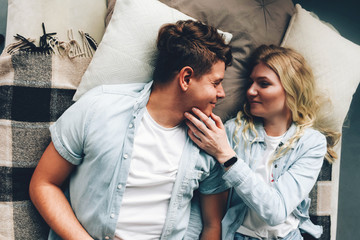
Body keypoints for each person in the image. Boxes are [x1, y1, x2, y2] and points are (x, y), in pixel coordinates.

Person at [29, 20, 232, 240]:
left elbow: (213, 225)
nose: (222, 93)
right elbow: (43, 184)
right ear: (185, 78)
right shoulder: (99, 108)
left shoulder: (213, 141)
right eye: (215, 83)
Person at [184, 45, 340, 240]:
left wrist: (228, 157)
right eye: (251, 83)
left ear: (291, 89)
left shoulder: (311, 143)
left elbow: (276, 212)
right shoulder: (233, 131)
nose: (250, 91)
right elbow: (207, 200)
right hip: (238, 234)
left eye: (263, 84)